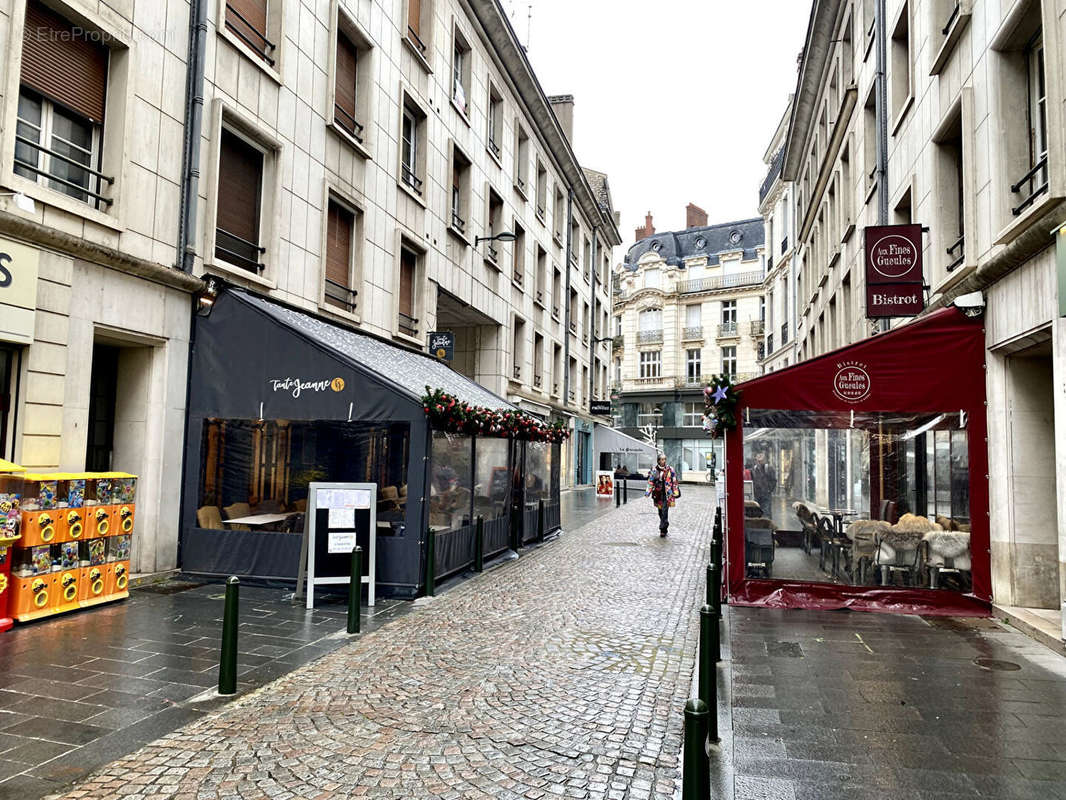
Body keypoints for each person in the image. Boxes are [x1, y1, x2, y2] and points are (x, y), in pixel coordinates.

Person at [646, 454, 680, 537]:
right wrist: (648, 491)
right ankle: (665, 524)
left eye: (665, 459)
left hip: (667, 493)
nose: (664, 461)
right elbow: (651, 481)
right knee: (660, 511)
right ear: (658, 461)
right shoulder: (654, 470)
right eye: (662, 459)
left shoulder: (670, 469)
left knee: (665, 510)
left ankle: (662, 529)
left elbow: (674, 481)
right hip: (658, 493)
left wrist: (675, 491)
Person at [751, 451, 776, 517]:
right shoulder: (754, 469)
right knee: (757, 512)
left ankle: (767, 525)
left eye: (761, 458)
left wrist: (769, 490)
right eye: (758, 458)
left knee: (766, 512)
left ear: (765, 459)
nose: (759, 461)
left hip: (765, 494)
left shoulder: (769, 468)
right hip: (757, 494)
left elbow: (773, 480)